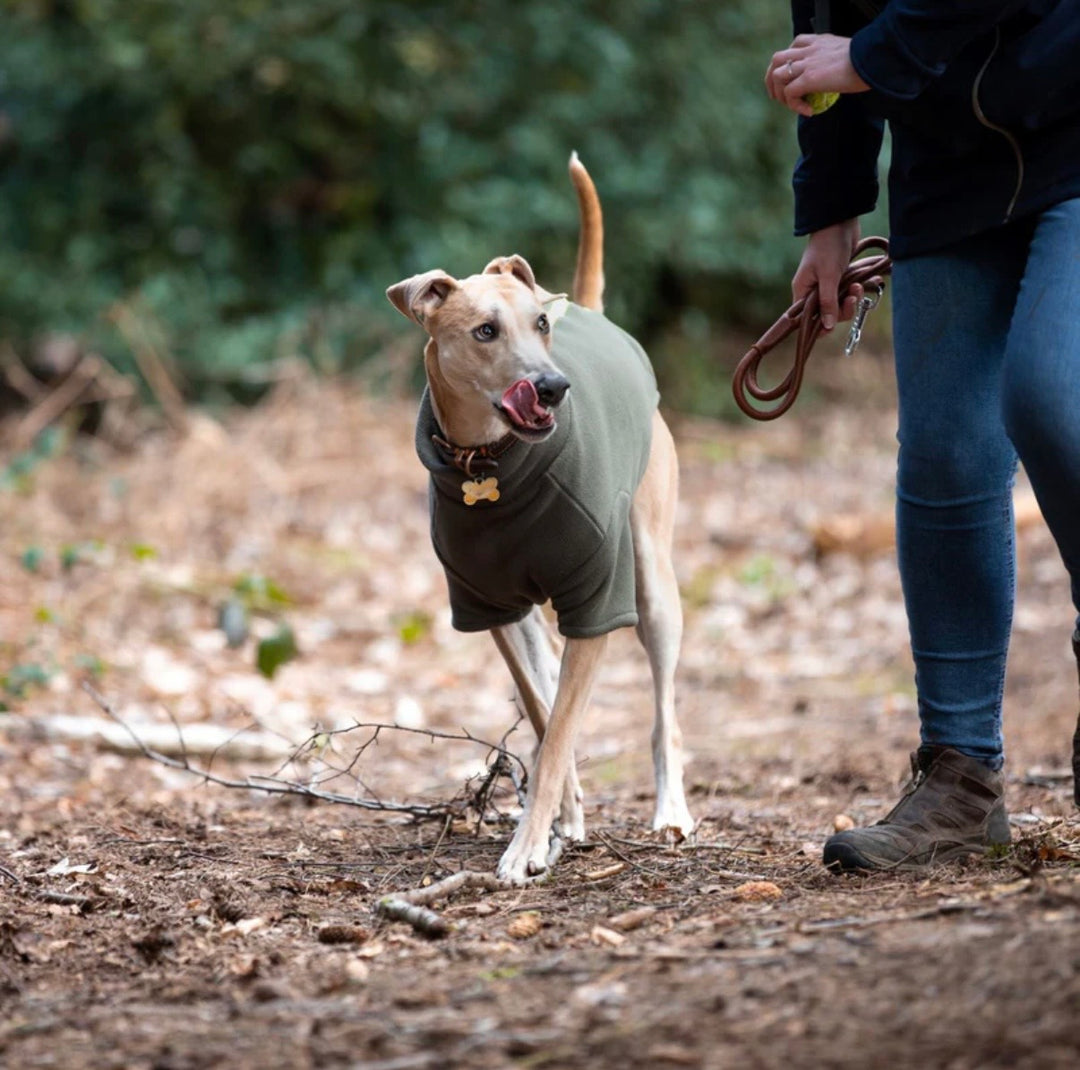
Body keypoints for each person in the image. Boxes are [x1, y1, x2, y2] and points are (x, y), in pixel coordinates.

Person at [764, 0, 1080, 871]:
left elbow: (850, 52)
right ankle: (961, 779)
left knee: (1052, 396)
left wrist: (870, 55)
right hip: (948, 174)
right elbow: (822, 30)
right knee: (944, 451)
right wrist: (830, 213)